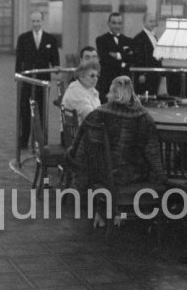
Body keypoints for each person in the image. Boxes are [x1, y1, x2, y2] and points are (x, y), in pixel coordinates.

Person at [67, 75, 166, 225]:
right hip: (130, 176)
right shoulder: (144, 118)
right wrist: (162, 180)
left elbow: (78, 148)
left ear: (111, 93)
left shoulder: (97, 114)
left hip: (99, 176)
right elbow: (153, 155)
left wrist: (73, 160)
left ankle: (103, 209)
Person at [15, 11, 60, 149]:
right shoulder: (23, 38)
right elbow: (18, 60)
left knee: (41, 110)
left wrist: (57, 71)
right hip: (27, 81)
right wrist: (18, 77)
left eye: (38, 21)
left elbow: (55, 61)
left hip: (42, 82)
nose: (35, 24)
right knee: (25, 110)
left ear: (42, 21)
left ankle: (40, 140)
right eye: (33, 21)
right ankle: (24, 140)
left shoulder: (50, 39)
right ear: (31, 21)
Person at [96, 12, 135, 103]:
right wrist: (123, 61)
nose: (117, 26)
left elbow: (133, 58)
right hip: (108, 81)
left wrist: (118, 55)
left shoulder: (128, 40)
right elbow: (105, 59)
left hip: (124, 82)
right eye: (114, 23)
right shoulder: (101, 40)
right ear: (109, 23)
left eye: (119, 23)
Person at [132, 12, 164, 95]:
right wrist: (141, 74)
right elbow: (138, 57)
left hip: (154, 74)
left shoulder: (154, 36)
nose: (153, 24)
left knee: (153, 96)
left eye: (154, 21)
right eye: (150, 21)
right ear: (144, 22)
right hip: (145, 75)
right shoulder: (139, 38)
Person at [61, 61, 101, 126]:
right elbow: (90, 117)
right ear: (81, 76)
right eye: (92, 76)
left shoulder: (90, 89)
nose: (95, 79)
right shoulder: (76, 91)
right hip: (80, 134)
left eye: (97, 76)